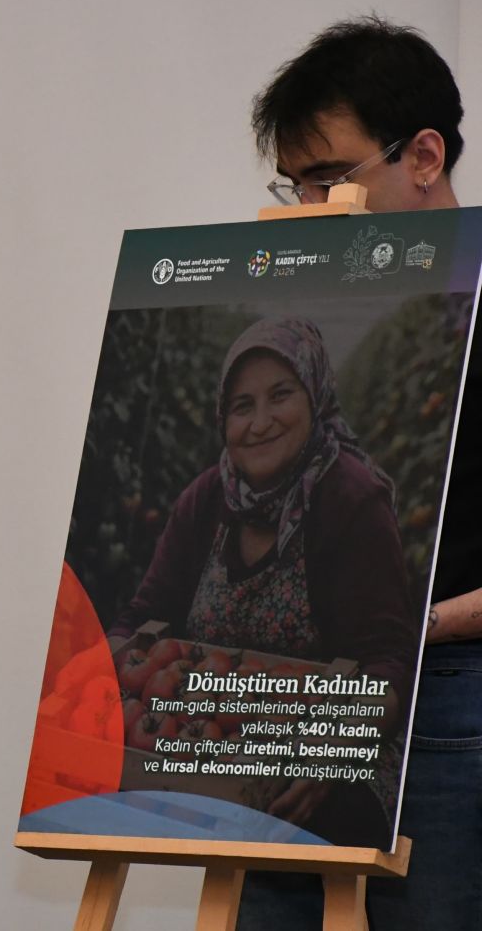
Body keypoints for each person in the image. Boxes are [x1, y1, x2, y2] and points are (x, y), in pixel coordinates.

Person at [240, 16, 482, 926]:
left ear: (423, 156)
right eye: (294, 185)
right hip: (300, 703)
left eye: (332, 179)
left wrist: (419, 628)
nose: (312, 208)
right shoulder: (299, 325)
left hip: (448, 712)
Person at [110, 316, 416, 842]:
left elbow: (389, 659)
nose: (260, 423)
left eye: (280, 396)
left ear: (314, 396)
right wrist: (96, 683)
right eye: (242, 406)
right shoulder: (205, 500)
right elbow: (143, 616)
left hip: (325, 760)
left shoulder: (351, 500)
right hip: (208, 749)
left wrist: (330, 753)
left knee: (322, 826)